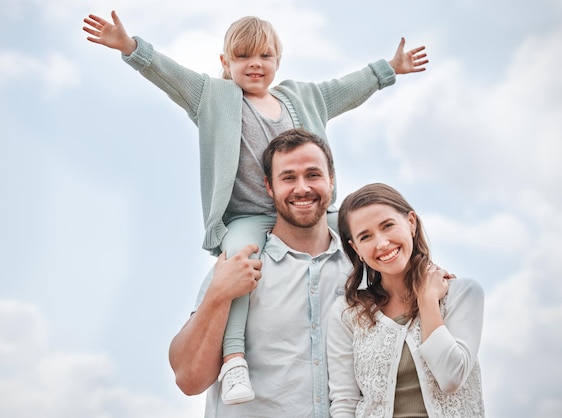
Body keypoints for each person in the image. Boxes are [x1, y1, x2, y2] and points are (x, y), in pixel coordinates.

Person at [82, 10, 428, 404]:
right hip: (248, 218)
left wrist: (390, 69)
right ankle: (233, 360)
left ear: (278, 61)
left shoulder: (303, 98)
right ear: (225, 64)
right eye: (243, 57)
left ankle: (422, 277)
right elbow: (170, 75)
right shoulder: (213, 98)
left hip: (312, 218)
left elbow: (347, 87)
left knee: (368, 225)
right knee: (240, 268)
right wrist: (130, 47)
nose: (255, 65)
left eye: (264, 56)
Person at [168, 128, 352, 417]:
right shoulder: (239, 264)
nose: (302, 188)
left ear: (332, 179)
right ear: (269, 186)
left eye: (313, 175)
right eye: (288, 177)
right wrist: (218, 294)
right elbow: (189, 379)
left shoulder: (361, 265)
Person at [327, 183, 485, 417]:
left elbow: (452, 377)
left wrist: (428, 300)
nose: (381, 243)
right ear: (356, 248)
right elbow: (344, 402)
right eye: (366, 236)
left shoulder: (462, 294)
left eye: (388, 226)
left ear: (411, 222)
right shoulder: (348, 313)